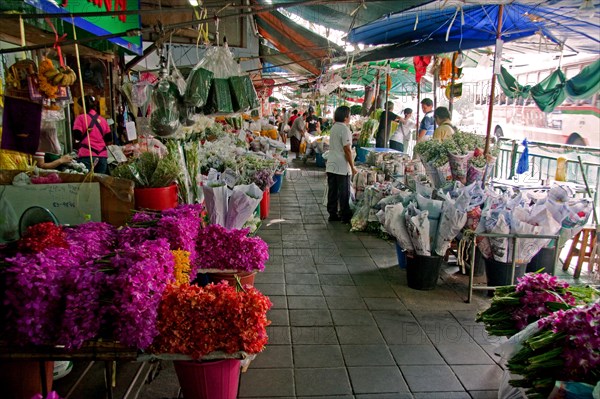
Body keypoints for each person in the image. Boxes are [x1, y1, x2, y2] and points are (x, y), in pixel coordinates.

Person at [325, 105, 358, 223]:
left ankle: (332, 214)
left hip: (331, 163)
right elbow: (347, 149)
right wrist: (353, 167)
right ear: (345, 117)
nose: (350, 117)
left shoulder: (334, 127)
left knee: (332, 190)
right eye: (349, 115)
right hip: (341, 165)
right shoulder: (345, 129)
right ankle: (345, 215)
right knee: (344, 191)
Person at [73, 95, 111, 174]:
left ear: (82, 106)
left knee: (88, 183)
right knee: (100, 183)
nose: (78, 108)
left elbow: (77, 136)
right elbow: (109, 138)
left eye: (78, 106)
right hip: (102, 156)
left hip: (87, 155)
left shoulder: (81, 118)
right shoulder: (103, 119)